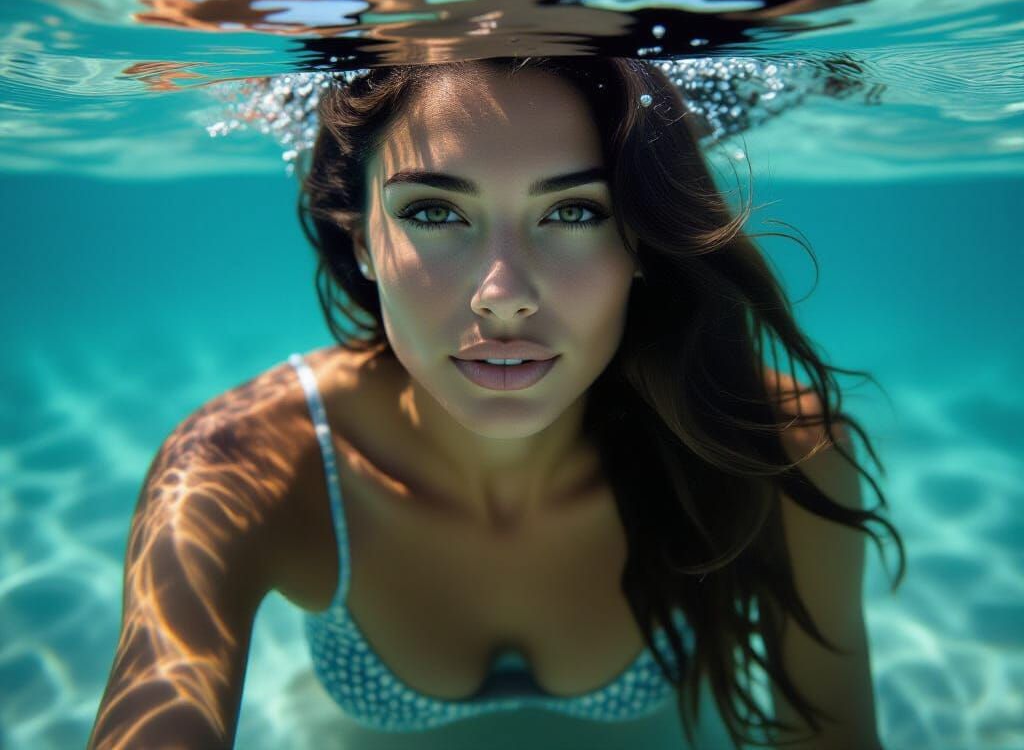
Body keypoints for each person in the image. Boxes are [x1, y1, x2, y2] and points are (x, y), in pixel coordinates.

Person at [87, 56, 904, 749]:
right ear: (363, 238)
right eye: (435, 211)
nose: (503, 297)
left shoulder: (773, 450)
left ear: (641, 244)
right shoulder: (238, 468)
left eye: (574, 211)